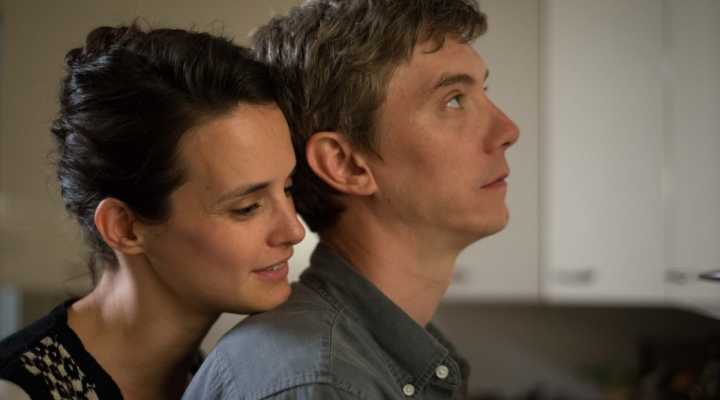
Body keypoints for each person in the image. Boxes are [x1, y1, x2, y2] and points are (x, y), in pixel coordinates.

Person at [184, 0, 519, 398]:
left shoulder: (386, 359)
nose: (508, 130)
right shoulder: (318, 382)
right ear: (346, 165)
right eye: (454, 100)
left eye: (483, 91)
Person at [0, 23, 305, 399]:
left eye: (288, 188)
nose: (293, 230)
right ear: (124, 227)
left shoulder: (214, 377)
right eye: (247, 207)